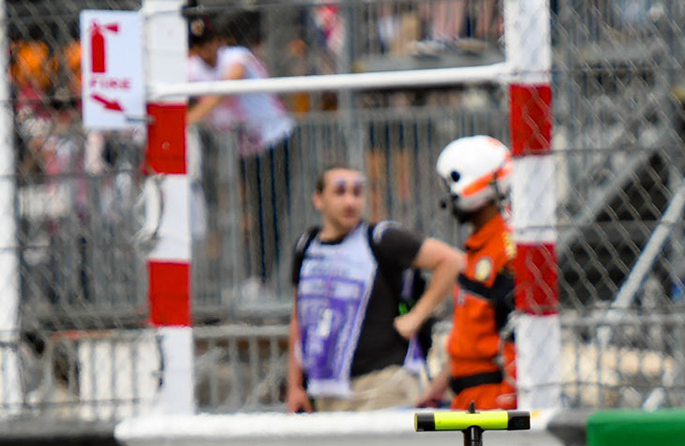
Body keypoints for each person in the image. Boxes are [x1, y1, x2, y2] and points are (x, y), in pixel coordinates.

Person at [285, 164, 463, 412]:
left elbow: (453, 261)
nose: (350, 201)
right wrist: (295, 386)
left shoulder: (382, 238)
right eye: (340, 192)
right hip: (325, 391)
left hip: (383, 385)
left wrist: (416, 317)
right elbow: (299, 318)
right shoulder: (306, 246)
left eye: (357, 192)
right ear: (318, 199)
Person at [187, 14, 298, 300]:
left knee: (269, 213)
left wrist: (186, 120)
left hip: (275, 141)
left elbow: (225, 88)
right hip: (242, 150)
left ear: (219, 41)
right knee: (244, 214)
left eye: (210, 42)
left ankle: (262, 280)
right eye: (199, 44)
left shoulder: (236, 57)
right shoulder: (193, 68)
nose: (206, 49)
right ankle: (248, 279)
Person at [418, 135, 516, 411]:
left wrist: (508, 403)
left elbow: (516, 337)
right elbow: (472, 335)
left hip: (492, 400)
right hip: (468, 398)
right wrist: (439, 385)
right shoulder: (480, 248)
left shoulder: (503, 252)